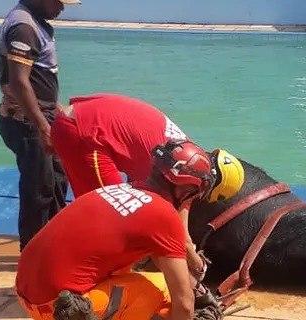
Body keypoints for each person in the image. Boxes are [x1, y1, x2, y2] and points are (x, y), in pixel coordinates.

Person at [15, 140, 231, 320]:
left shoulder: (117, 189)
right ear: (186, 188)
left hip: (25, 294)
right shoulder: (164, 215)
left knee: (126, 269)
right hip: (53, 308)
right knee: (159, 293)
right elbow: (184, 304)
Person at [51, 93, 246, 279]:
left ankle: (69, 258)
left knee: (111, 214)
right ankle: (92, 280)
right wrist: (197, 266)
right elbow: (177, 237)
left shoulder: (185, 150)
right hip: (86, 135)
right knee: (112, 217)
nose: (194, 197)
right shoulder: (186, 173)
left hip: (81, 117)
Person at [0, 0, 80, 250]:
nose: (62, 9)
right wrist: (43, 127)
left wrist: (55, 108)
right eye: (59, 2)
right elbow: (19, 82)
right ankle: (33, 254)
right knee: (39, 189)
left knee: (56, 181)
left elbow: (38, 78)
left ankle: (54, 246)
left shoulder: (36, 23)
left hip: (42, 117)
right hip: (27, 122)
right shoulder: (23, 27)